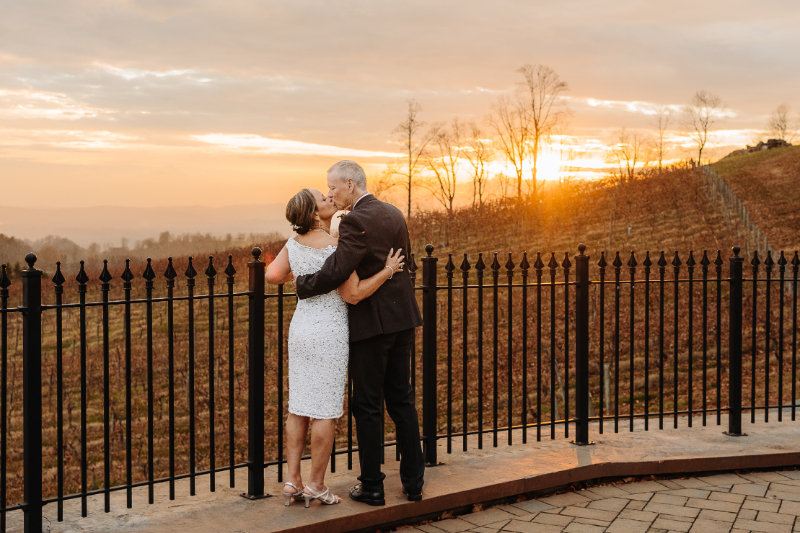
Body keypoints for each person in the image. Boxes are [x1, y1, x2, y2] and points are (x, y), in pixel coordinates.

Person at [264, 187, 405, 508]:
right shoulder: (336, 248)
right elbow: (353, 294)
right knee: (325, 410)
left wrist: (298, 274)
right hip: (329, 332)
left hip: (300, 329)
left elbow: (272, 274)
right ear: (314, 214)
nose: (329, 199)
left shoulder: (292, 243)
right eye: (322, 199)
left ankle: (292, 480)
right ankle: (315, 484)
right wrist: (388, 270)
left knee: (298, 406)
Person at [295, 160, 424, 507]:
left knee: (366, 405)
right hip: (403, 320)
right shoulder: (394, 213)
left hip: (372, 326)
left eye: (333, 187)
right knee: (402, 400)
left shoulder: (355, 221)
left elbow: (338, 268)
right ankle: (414, 483)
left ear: (350, 185)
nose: (330, 193)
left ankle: (373, 486)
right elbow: (406, 262)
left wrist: (302, 284)